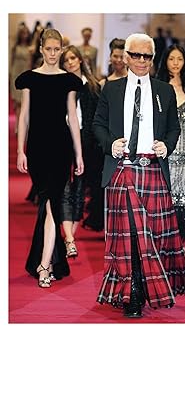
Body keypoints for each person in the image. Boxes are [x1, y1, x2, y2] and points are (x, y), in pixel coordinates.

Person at [93, 33, 185, 318]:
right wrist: (110, 144)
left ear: (152, 59)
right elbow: (97, 124)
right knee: (130, 234)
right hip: (122, 168)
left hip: (153, 169)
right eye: (136, 55)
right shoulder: (111, 89)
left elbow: (174, 128)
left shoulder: (164, 91)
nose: (141, 61)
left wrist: (167, 145)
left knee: (150, 235)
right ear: (126, 57)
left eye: (147, 56)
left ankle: (143, 287)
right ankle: (133, 293)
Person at [15, 28, 84, 288]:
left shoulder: (69, 81)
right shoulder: (29, 79)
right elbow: (24, 116)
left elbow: (72, 117)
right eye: (49, 49)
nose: (53, 54)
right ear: (42, 49)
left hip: (61, 148)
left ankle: (44, 264)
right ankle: (50, 261)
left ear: (62, 50)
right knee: (47, 203)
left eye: (57, 49)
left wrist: (78, 153)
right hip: (37, 149)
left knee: (52, 202)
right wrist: (20, 150)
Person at [155, 44, 185, 241]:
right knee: (163, 198)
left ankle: (179, 244)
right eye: (171, 58)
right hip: (164, 151)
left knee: (183, 200)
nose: (175, 63)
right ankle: (164, 244)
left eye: (180, 59)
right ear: (165, 61)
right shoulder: (157, 88)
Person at [60, 45, 102, 253]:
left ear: (79, 60)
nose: (70, 62)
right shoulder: (58, 86)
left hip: (87, 144)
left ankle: (71, 237)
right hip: (61, 141)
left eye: (73, 58)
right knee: (64, 188)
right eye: (66, 60)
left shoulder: (92, 87)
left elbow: (97, 119)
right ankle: (68, 237)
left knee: (78, 189)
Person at [10, 23, 33, 134]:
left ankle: (23, 125)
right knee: (17, 103)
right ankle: (17, 125)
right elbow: (11, 62)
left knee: (24, 102)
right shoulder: (15, 47)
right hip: (15, 74)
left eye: (26, 33)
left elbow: (30, 64)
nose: (25, 35)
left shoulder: (31, 48)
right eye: (23, 33)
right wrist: (9, 75)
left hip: (26, 76)